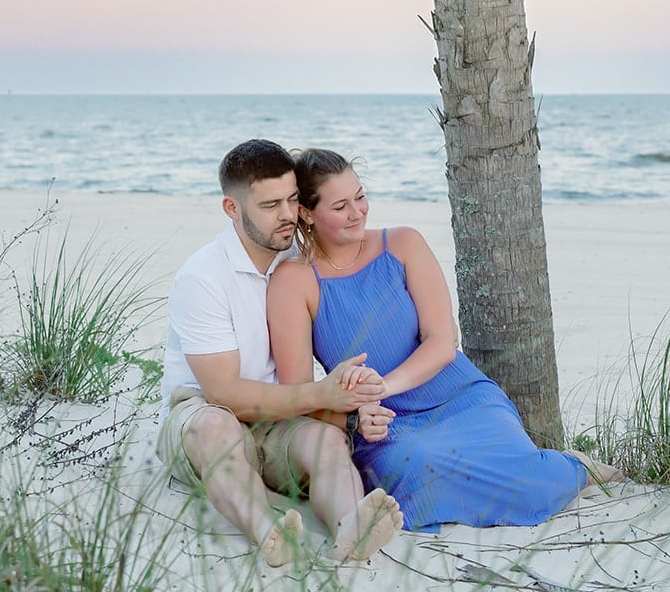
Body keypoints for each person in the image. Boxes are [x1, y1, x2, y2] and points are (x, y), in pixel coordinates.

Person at [268, 149, 618, 533]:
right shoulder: (293, 280)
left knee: (528, 480)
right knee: (419, 472)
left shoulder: (402, 244)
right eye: (340, 206)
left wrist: (383, 386)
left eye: (360, 196)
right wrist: (353, 418)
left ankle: (574, 468)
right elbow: (297, 392)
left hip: (459, 395)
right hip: (385, 422)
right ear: (306, 213)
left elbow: (441, 342)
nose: (358, 212)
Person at [157, 139, 404, 564]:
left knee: (327, 439)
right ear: (232, 209)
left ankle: (352, 527)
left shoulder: (297, 257)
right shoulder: (203, 277)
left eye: (292, 199)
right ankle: (268, 535)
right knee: (215, 428)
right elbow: (224, 394)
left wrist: (353, 399)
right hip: (203, 415)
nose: (288, 215)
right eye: (271, 205)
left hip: (277, 417)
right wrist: (323, 395)